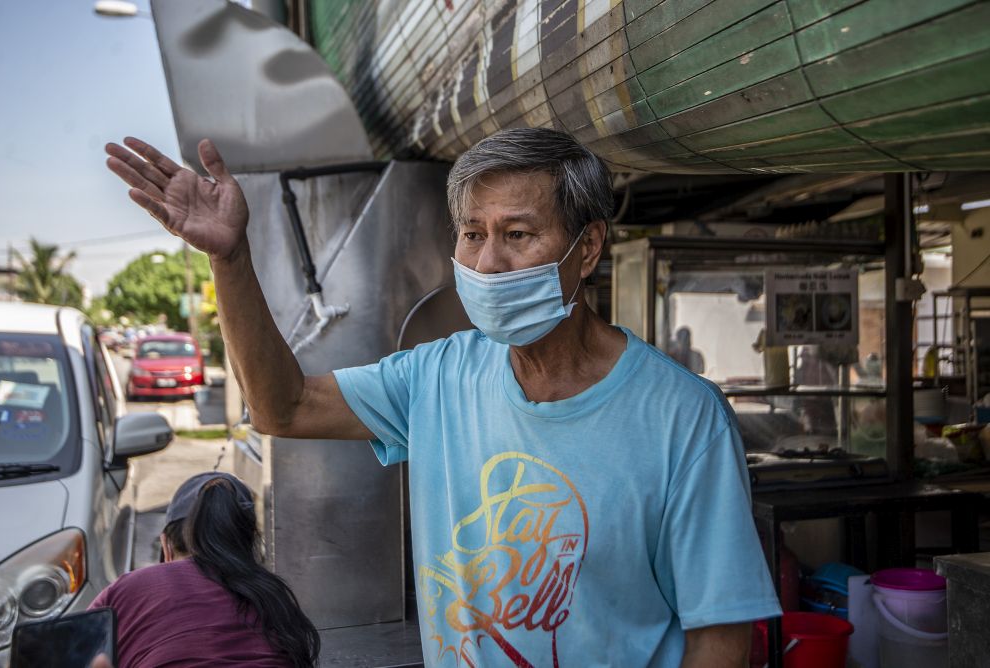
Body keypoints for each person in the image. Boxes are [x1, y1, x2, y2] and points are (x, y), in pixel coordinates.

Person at [105, 128, 780, 667]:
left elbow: (720, 635)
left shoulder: (683, 416)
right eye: (472, 234)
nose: (487, 264)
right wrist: (230, 258)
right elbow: (285, 408)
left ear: (589, 246)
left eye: (518, 235)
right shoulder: (436, 378)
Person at [88, 472, 320, 667]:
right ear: (249, 548)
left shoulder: (125, 590)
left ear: (167, 546)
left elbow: (74, 650)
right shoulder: (276, 597)